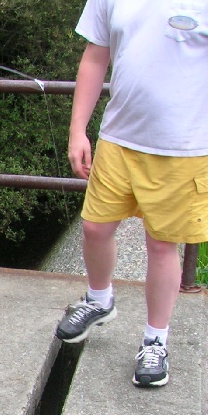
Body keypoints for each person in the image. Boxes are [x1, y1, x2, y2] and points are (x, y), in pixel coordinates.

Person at [54, 0, 208, 387]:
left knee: (161, 245)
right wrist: (78, 130)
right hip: (118, 139)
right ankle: (99, 300)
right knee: (94, 228)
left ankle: (155, 341)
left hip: (183, 148)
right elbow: (94, 56)